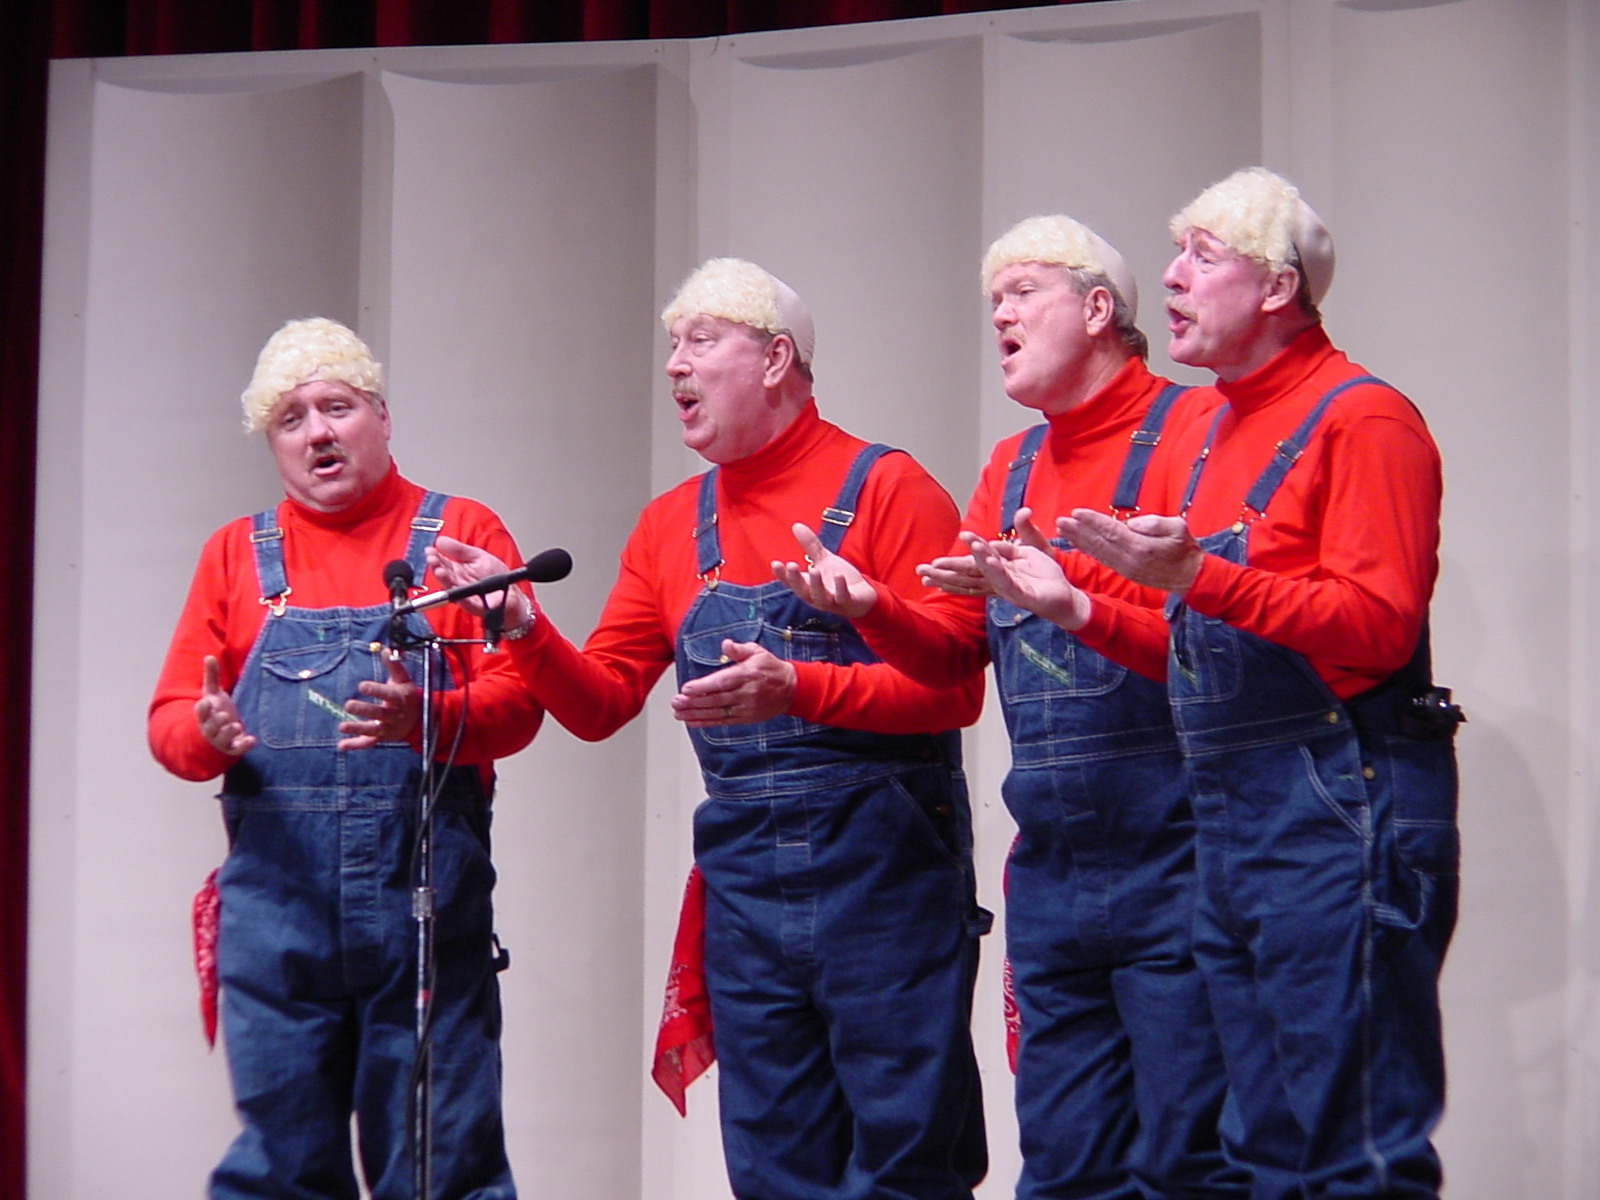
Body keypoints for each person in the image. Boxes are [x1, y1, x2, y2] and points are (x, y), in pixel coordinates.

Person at [429, 258, 989, 1200]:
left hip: (886, 869)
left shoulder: (888, 489)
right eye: (671, 346)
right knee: (772, 1165)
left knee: (908, 1158)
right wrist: (522, 627)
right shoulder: (668, 526)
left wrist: (799, 688)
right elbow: (601, 704)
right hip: (746, 882)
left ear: (775, 360)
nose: (674, 366)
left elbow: (956, 691)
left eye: (700, 341)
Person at [972, 169, 1462, 1198]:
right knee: (1259, 1155)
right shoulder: (1223, 433)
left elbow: (1376, 630)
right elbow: (1199, 655)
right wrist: (1078, 609)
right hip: (1237, 820)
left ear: (1277, 288)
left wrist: (1198, 576)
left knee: (1353, 1155)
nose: (1171, 277)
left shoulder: (1363, 418)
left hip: (1341, 803)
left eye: (1201, 256)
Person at [775, 216, 1245, 1199]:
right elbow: (953, 663)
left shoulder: (1202, 432)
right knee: (1064, 1163)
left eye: (1023, 292)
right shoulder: (1010, 468)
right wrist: (874, 610)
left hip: (1187, 852)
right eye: (993, 299)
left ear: (1099, 308)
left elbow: (1224, 659)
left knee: (1194, 1160)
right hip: (1053, 872)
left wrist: (1077, 599)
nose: (1000, 314)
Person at [149, 318, 542, 1200]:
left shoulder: (460, 532)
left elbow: (521, 705)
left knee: (442, 1171)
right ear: (273, 444)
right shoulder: (236, 555)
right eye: (291, 418)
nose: (317, 431)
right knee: (281, 1173)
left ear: (383, 416)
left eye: (337, 407)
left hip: (424, 917)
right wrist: (205, 733)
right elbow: (171, 723)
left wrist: (428, 717)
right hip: (278, 922)